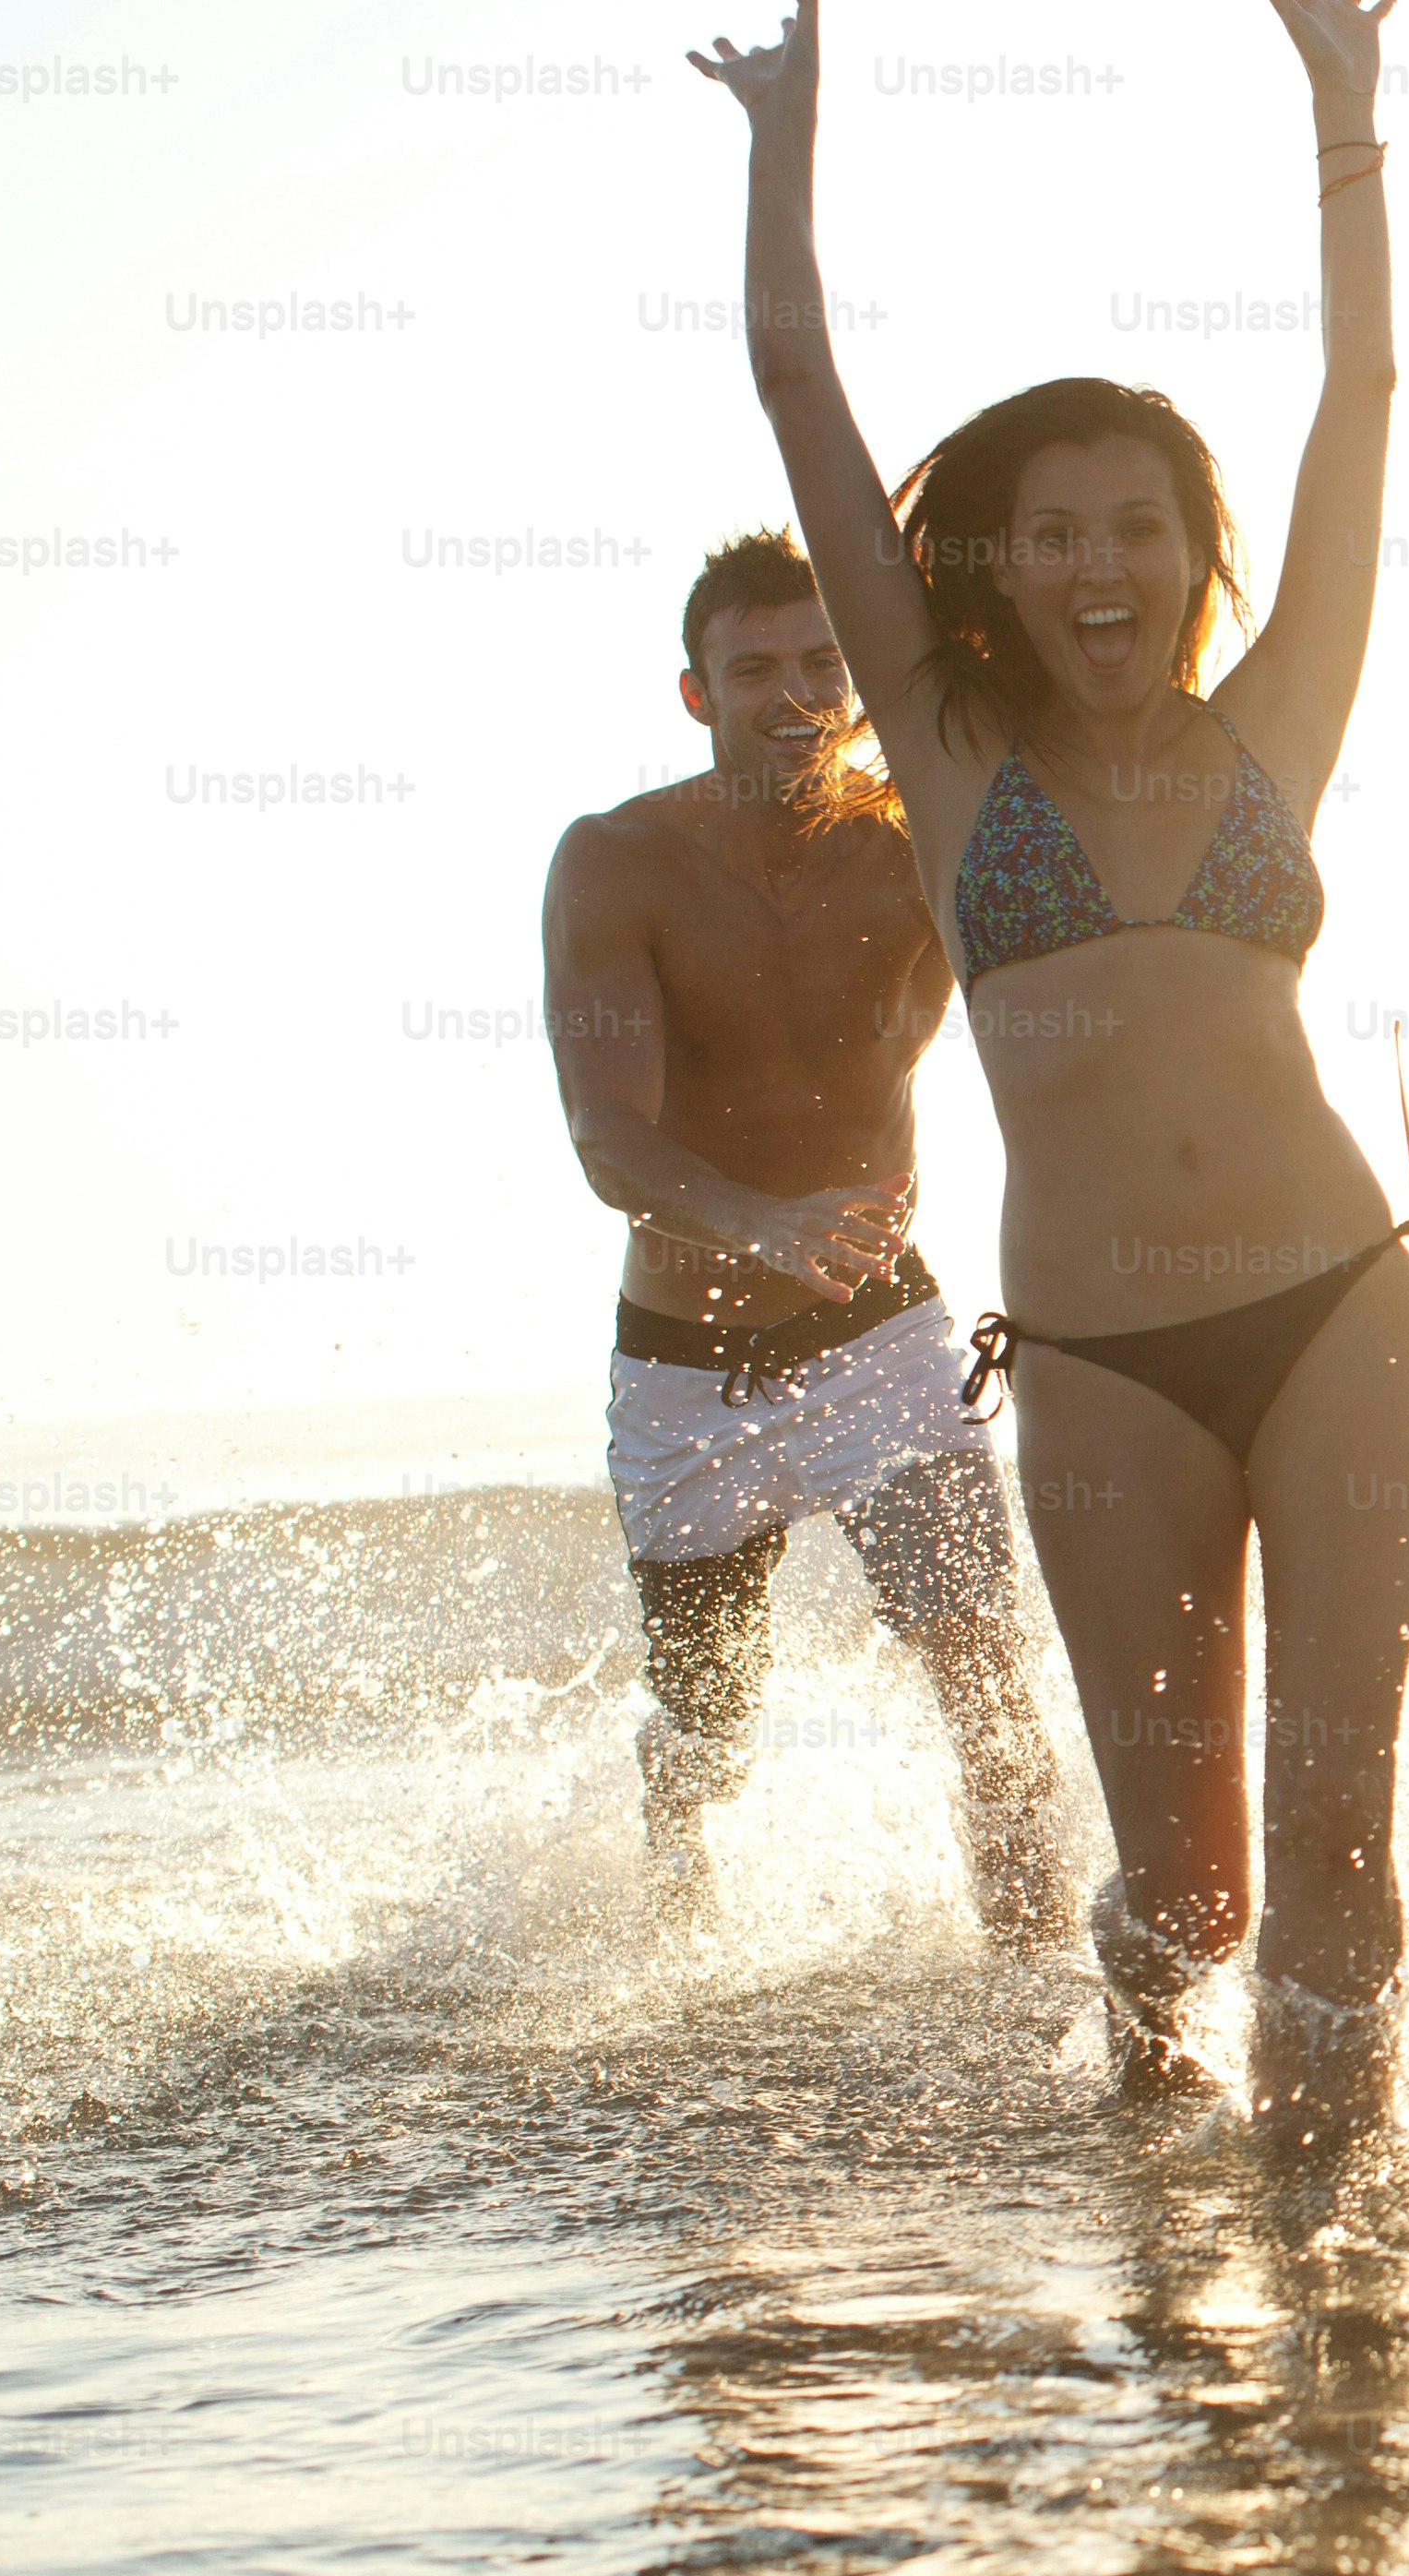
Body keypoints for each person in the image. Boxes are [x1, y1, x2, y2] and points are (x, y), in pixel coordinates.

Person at [696, 0, 1409, 2152]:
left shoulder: (1277, 720)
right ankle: (1142, 2118)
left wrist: (1344, 106)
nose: (1102, 563)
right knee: (1195, 1888)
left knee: (1339, 1864)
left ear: (1187, 552)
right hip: (1109, 1353)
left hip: (1341, 1316)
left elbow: (1367, 393)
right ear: (997, 572)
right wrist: (786, 137)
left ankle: (1332, 2284)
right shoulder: (950, 770)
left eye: (1138, 525)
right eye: (1057, 531)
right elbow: (795, 392)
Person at [543, 528, 1067, 1938]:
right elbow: (609, 1136)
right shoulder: (617, 862)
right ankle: (676, 1946)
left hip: (887, 1337)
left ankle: (1037, 1993)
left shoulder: (923, 843)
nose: (794, 695)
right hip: (689, 1370)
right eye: (755, 667)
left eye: (825, 662)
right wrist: (756, 1220)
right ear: (696, 694)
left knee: (988, 1676)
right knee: (707, 1726)